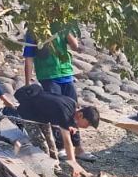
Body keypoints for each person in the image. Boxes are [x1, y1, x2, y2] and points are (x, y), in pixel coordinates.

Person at [23, 25, 94, 161]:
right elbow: (29, 58)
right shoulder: (33, 31)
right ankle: (61, 147)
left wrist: (65, 29)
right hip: (48, 75)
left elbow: (74, 46)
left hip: (66, 73)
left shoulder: (61, 26)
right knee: (57, 112)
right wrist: (27, 83)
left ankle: (78, 148)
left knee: (75, 111)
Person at [11, 83, 100, 177]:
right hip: (29, 114)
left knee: (51, 142)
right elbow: (67, 142)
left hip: (43, 115)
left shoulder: (72, 105)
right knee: (41, 144)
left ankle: (55, 167)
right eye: (88, 124)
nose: (87, 127)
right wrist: (75, 166)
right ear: (81, 115)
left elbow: (71, 131)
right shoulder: (64, 113)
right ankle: (44, 170)